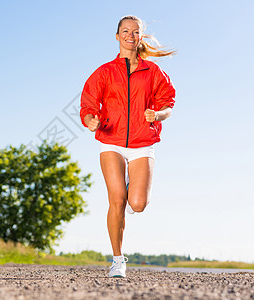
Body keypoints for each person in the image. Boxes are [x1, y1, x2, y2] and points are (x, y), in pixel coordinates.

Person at [80, 15, 176, 278]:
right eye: (125, 31)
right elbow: (88, 104)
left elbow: (168, 103)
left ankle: (132, 184)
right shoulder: (104, 72)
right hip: (110, 140)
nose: (130, 35)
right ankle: (118, 260)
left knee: (137, 203)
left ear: (140, 37)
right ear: (117, 36)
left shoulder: (153, 72)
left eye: (135, 32)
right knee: (117, 200)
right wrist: (90, 120)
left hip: (142, 144)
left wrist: (157, 115)